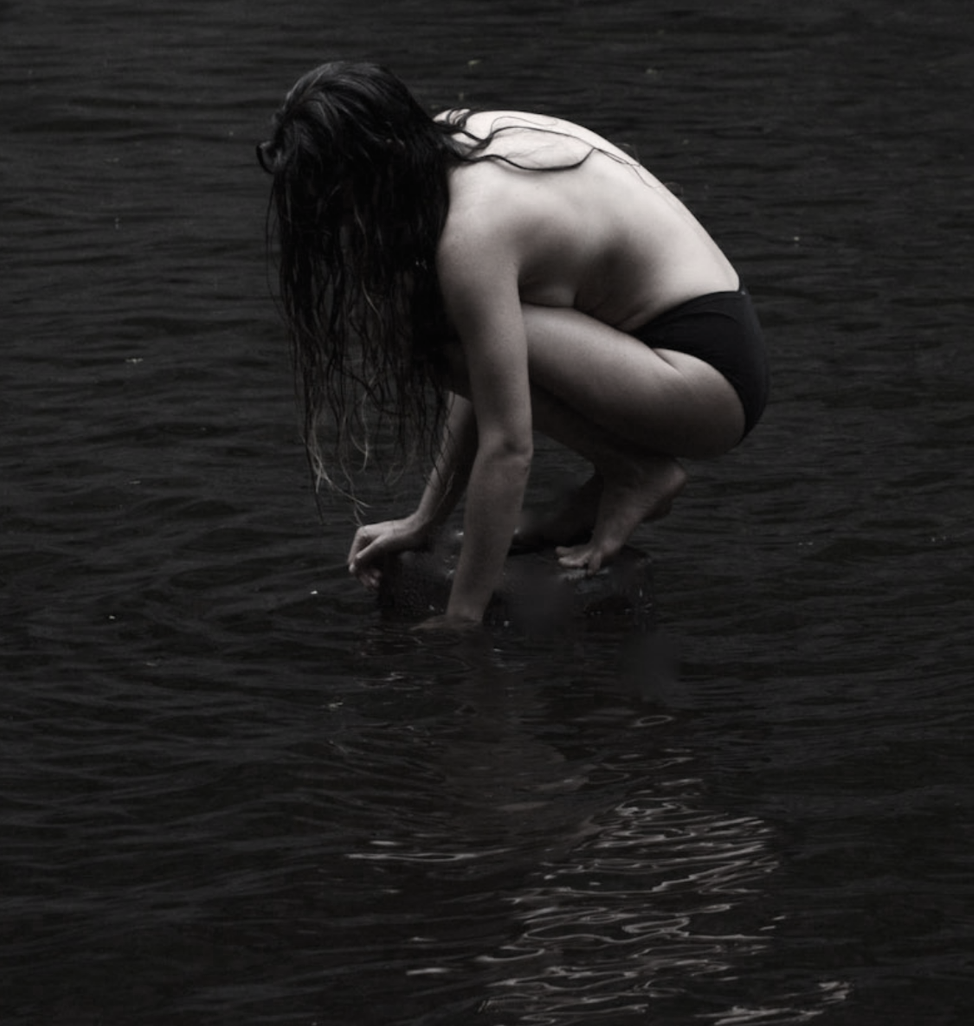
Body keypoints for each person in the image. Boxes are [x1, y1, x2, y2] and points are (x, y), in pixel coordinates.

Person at [257, 61, 768, 626]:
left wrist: (462, 616)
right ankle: (624, 474)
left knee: (440, 331)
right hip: (695, 349)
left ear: (370, 171)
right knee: (453, 331)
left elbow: (509, 445)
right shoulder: (450, 139)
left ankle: (633, 471)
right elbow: (482, 370)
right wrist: (424, 522)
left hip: (704, 381)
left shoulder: (471, 233)